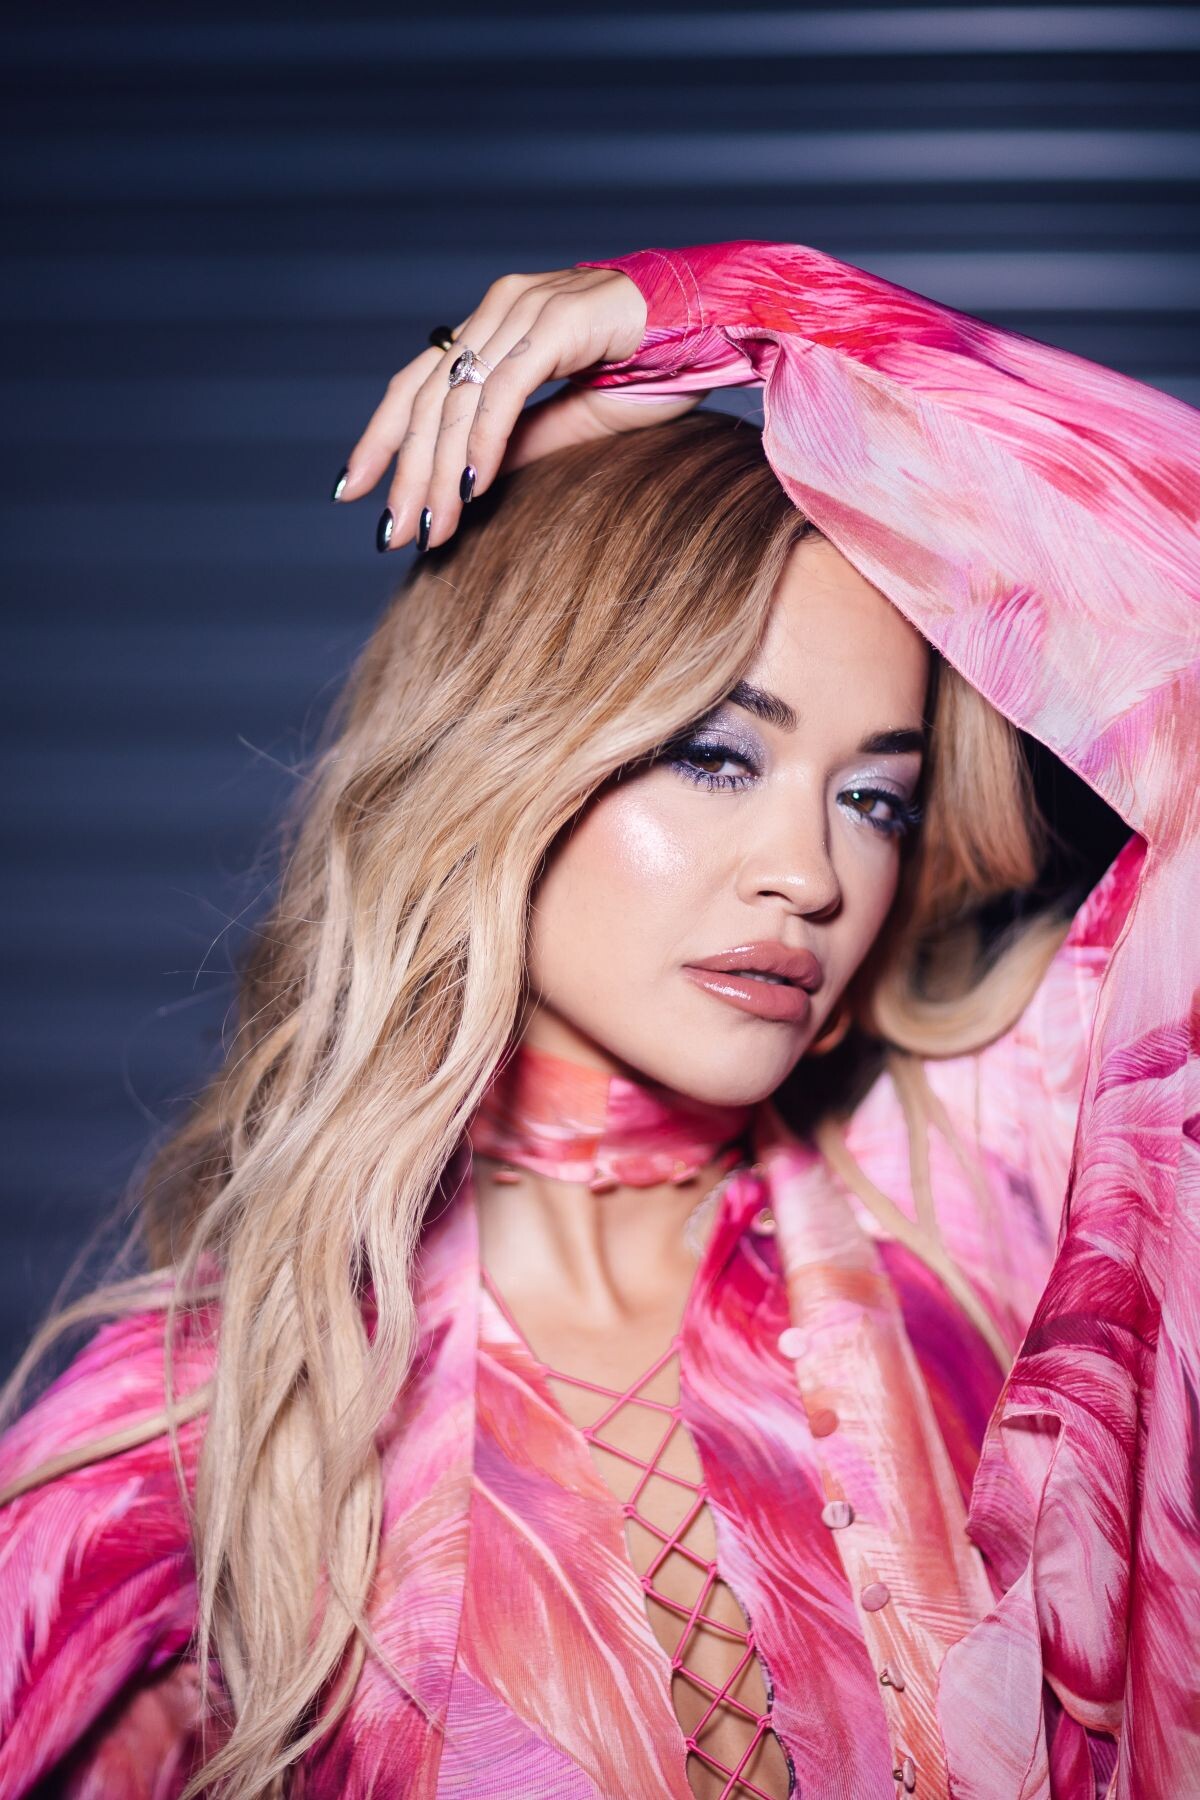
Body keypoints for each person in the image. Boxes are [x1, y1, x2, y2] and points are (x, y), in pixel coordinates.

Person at [0, 240, 1196, 1800]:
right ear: (510, 757)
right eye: (714, 755)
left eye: (875, 800)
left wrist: (739, 311)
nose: (811, 874)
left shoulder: (992, 1195)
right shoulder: (223, 1422)